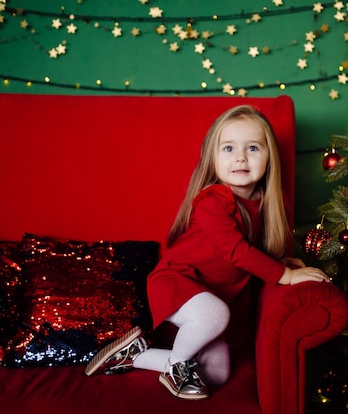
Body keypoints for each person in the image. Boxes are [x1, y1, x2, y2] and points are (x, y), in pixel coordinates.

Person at [85, 104, 331, 399]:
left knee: (216, 374)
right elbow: (237, 252)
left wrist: (278, 261)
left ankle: (135, 356)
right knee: (214, 314)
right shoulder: (211, 202)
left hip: (213, 299)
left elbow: (252, 250)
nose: (240, 157)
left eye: (252, 148)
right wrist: (286, 276)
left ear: (270, 157)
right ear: (212, 158)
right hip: (176, 283)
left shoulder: (268, 202)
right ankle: (176, 368)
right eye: (228, 148)